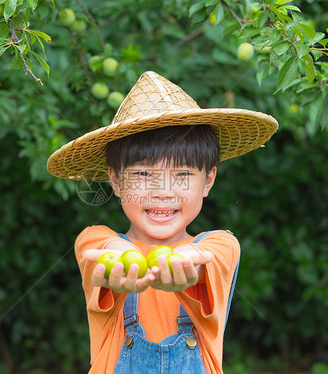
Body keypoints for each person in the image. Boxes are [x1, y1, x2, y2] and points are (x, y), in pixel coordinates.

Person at [47, 71, 278, 373]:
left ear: (208, 180)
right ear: (116, 181)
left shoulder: (220, 246)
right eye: (143, 175)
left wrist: (186, 260)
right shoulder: (96, 242)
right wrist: (119, 254)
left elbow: (203, 259)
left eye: (182, 175)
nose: (163, 192)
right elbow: (102, 248)